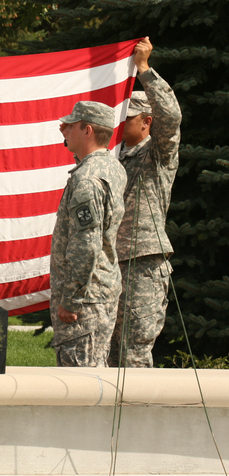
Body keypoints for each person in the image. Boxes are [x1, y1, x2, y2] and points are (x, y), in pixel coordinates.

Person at [108, 38, 182, 368]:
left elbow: (171, 117)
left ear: (146, 122)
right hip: (109, 261)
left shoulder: (158, 155)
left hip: (143, 262)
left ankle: (138, 417)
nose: (121, 123)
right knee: (106, 349)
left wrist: (143, 70)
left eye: (129, 117)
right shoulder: (111, 157)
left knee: (134, 350)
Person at [50, 101, 127, 367]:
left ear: (88, 131)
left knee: (81, 383)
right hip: (99, 291)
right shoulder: (112, 168)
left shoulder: (87, 179)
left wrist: (70, 300)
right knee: (95, 372)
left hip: (85, 300)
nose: (64, 130)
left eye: (71, 126)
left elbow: (86, 244)